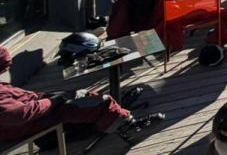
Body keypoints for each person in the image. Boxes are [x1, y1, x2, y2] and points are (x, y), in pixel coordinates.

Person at [0, 47, 154, 145]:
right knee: (93, 102)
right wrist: (54, 101)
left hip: (35, 114)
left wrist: (52, 97)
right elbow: (17, 115)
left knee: (81, 94)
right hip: (26, 125)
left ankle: (115, 113)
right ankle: (128, 126)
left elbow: (23, 99)